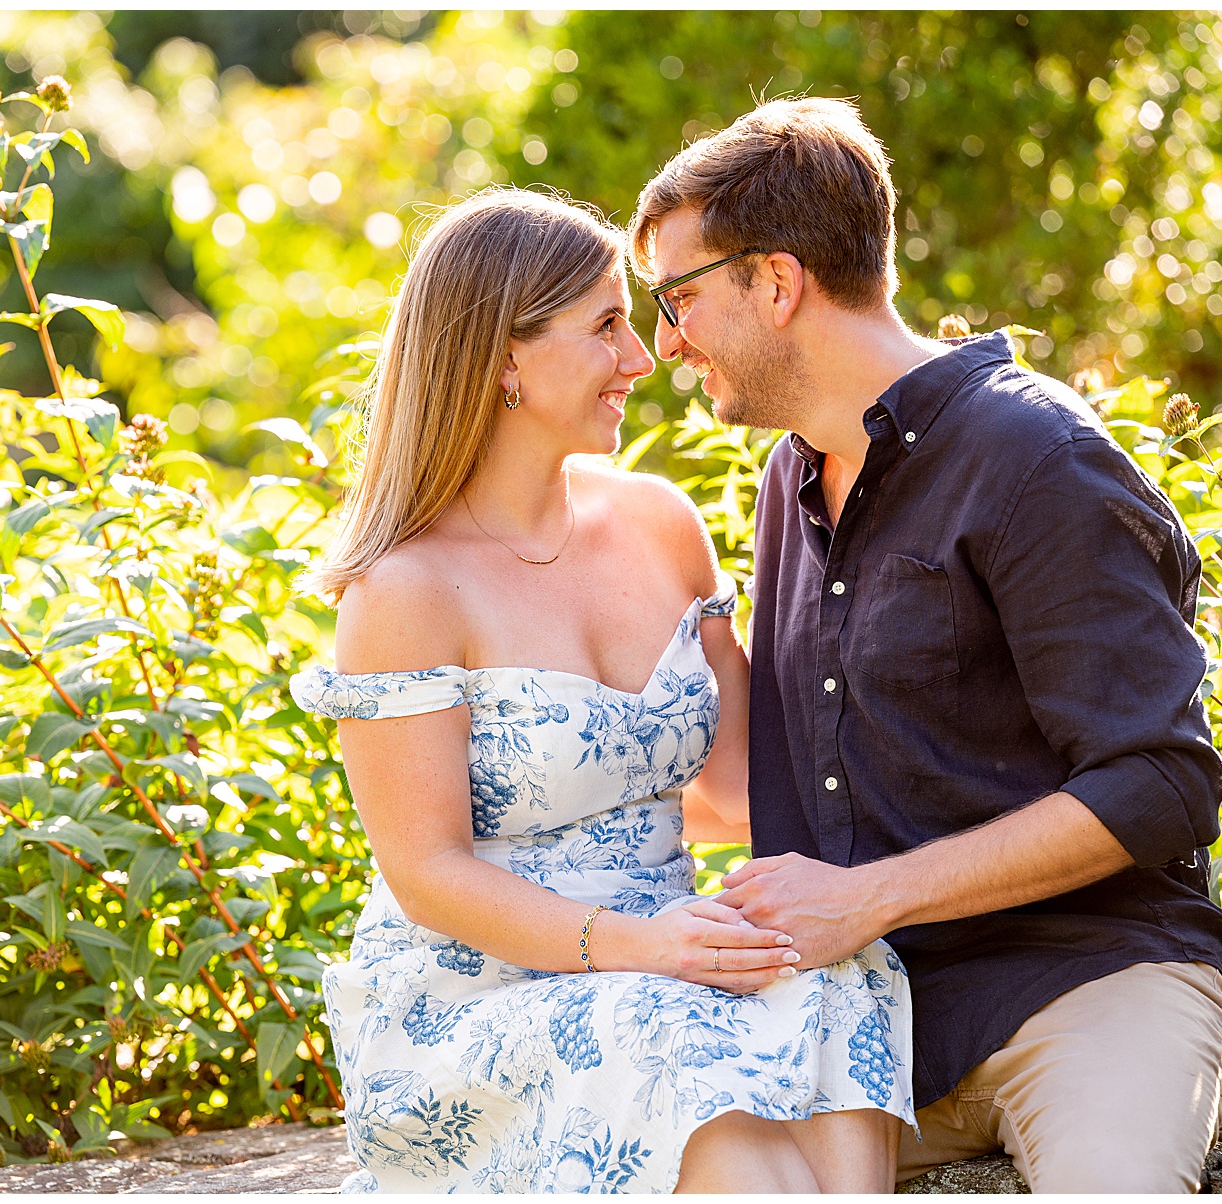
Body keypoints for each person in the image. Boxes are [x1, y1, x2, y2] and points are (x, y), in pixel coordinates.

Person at [628, 98, 1222, 1193]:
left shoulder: (1038, 457)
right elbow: (775, 775)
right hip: (866, 1017)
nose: (665, 341)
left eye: (677, 299)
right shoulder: (791, 477)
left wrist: (872, 897)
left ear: (776, 284)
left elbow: (1161, 781)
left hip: (1091, 982)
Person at [290, 188, 914, 1194]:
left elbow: (746, 795)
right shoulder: (402, 589)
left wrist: (890, 871)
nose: (643, 356)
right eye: (607, 326)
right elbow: (429, 871)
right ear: (503, 357)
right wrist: (642, 947)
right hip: (480, 991)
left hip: (666, 942)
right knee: (657, 1029)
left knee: (843, 969)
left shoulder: (662, 524)